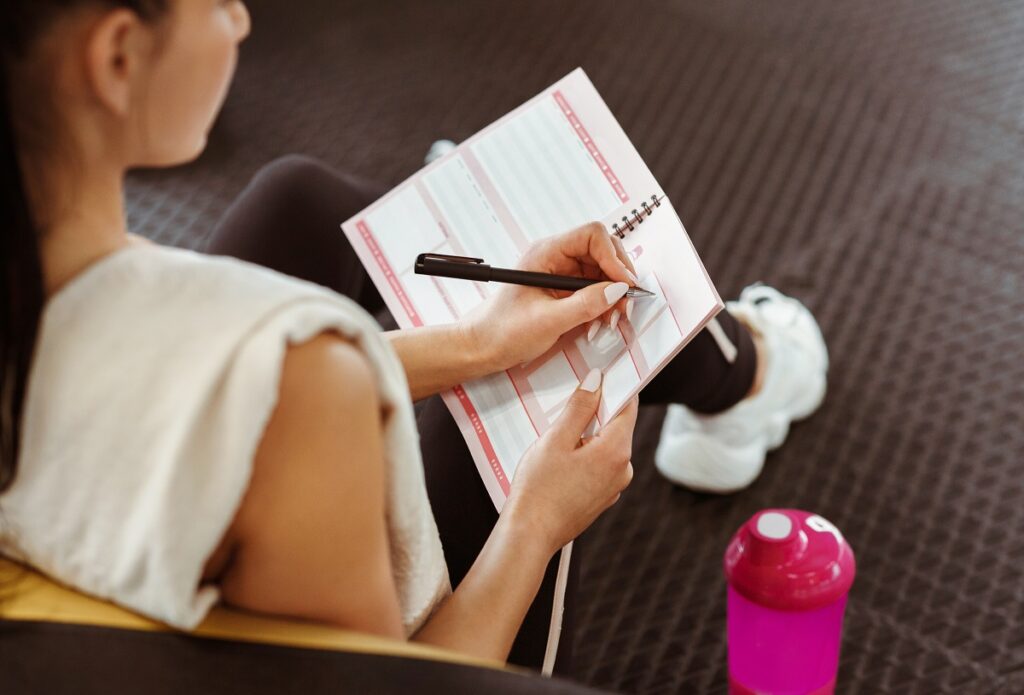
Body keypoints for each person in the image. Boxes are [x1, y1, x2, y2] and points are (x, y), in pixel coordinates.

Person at [0, 0, 828, 674]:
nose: (244, 20)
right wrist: (537, 523)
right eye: (218, 2)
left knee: (297, 201)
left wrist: (476, 339)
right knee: (534, 395)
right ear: (115, 58)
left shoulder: (65, 292)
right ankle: (745, 370)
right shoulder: (300, 374)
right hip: (446, 663)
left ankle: (735, 372)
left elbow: (178, 383)